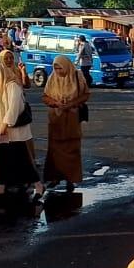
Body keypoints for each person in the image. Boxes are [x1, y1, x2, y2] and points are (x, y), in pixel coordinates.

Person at [0, 61, 43, 198]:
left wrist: (5, 123)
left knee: (23, 158)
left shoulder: (13, 87)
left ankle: (38, 184)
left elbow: (14, 108)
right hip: (2, 131)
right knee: (2, 158)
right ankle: (1, 185)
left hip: (15, 131)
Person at [42, 55, 89, 191]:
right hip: (56, 120)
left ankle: (71, 178)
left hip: (72, 119)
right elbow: (45, 97)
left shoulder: (76, 76)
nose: (58, 71)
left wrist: (70, 104)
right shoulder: (52, 78)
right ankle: (55, 178)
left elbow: (86, 94)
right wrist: (55, 103)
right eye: (55, 68)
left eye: (60, 68)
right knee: (55, 151)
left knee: (72, 149)